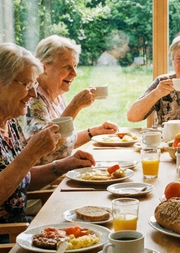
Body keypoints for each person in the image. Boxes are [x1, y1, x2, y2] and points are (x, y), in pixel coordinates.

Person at [0, 43, 94, 226]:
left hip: (17, 227)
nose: (33, 93)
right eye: (27, 85)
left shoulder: (7, 119)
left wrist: (65, 165)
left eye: (34, 84)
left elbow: (19, 177)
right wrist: (31, 154)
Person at [24, 35, 118, 163]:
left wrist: (94, 131)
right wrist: (75, 106)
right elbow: (46, 151)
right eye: (68, 67)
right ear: (44, 67)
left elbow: (64, 144)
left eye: (75, 66)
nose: (75, 73)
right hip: (48, 175)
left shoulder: (57, 96)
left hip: (63, 170)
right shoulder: (33, 99)